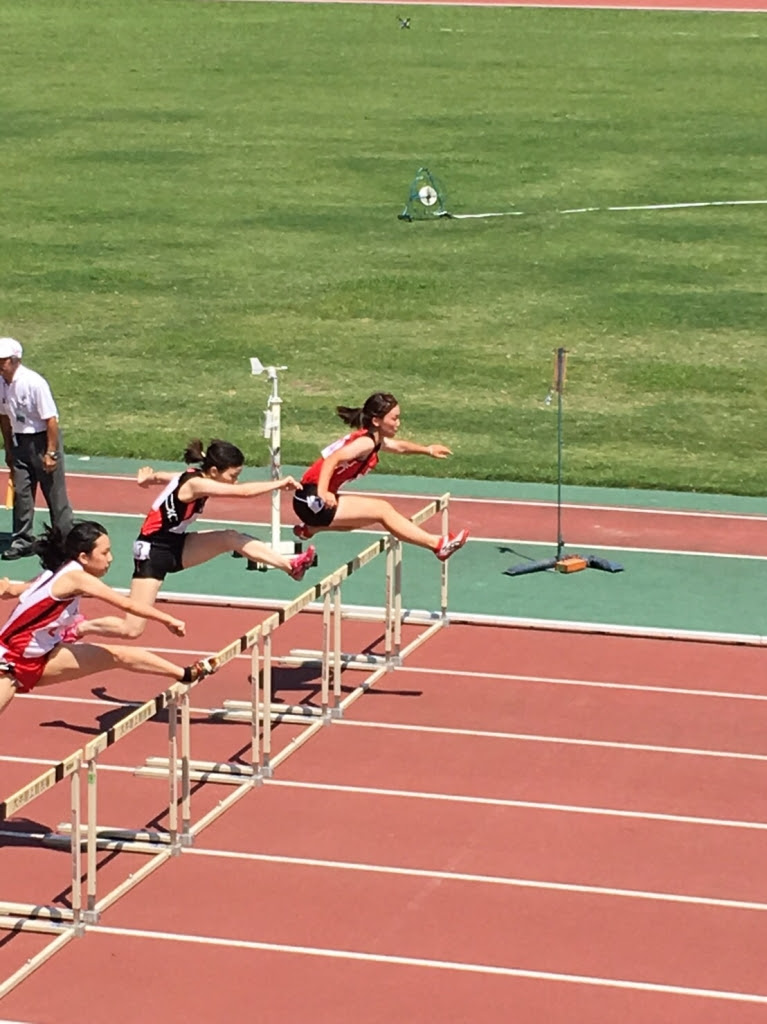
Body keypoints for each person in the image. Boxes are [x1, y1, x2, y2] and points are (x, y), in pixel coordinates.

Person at [73, 439, 315, 642]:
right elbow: (242, 493)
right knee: (132, 629)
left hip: (177, 544)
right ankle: (81, 628)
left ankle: (290, 566)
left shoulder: (192, 476)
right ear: (213, 472)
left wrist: (149, 479)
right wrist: (280, 483)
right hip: (154, 551)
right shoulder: (197, 483)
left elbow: (166, 477)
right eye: (233, 475)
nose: (236, 481)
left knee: (229, 538)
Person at [0, 521, 216, 720]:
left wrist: (7, 588)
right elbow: (127, 604)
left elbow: (16, 590)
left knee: (117, 655)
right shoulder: (77, 578)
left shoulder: (56, 571)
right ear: (84, 557)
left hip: (42, 655)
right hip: (9, 661)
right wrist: (167, 619)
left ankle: (186, 674)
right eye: (104, 552)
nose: (110, 558)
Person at [292, 392, 469, 560]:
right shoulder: (365, 443)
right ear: (376, 421)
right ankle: (438, 545)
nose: (398, 423)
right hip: (311, 497)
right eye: (394, 418)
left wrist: (427, 450)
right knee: (382, 510)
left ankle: (311, 528)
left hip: (310, 499)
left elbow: (399, 447)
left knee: (363, 519)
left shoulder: (374, 440)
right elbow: (333, 458)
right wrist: (323, 492)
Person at [0, 337, 74, 561]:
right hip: (19, 440)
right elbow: (3, 416)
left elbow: (51, 420)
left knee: (54, 494)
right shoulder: (0, 383)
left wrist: (51, 453)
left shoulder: (34, 383)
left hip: (43, 440)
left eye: (2, 360)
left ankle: (65, 540)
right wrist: (9, 449)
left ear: (15, 361)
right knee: (22, 492)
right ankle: (22, 539)